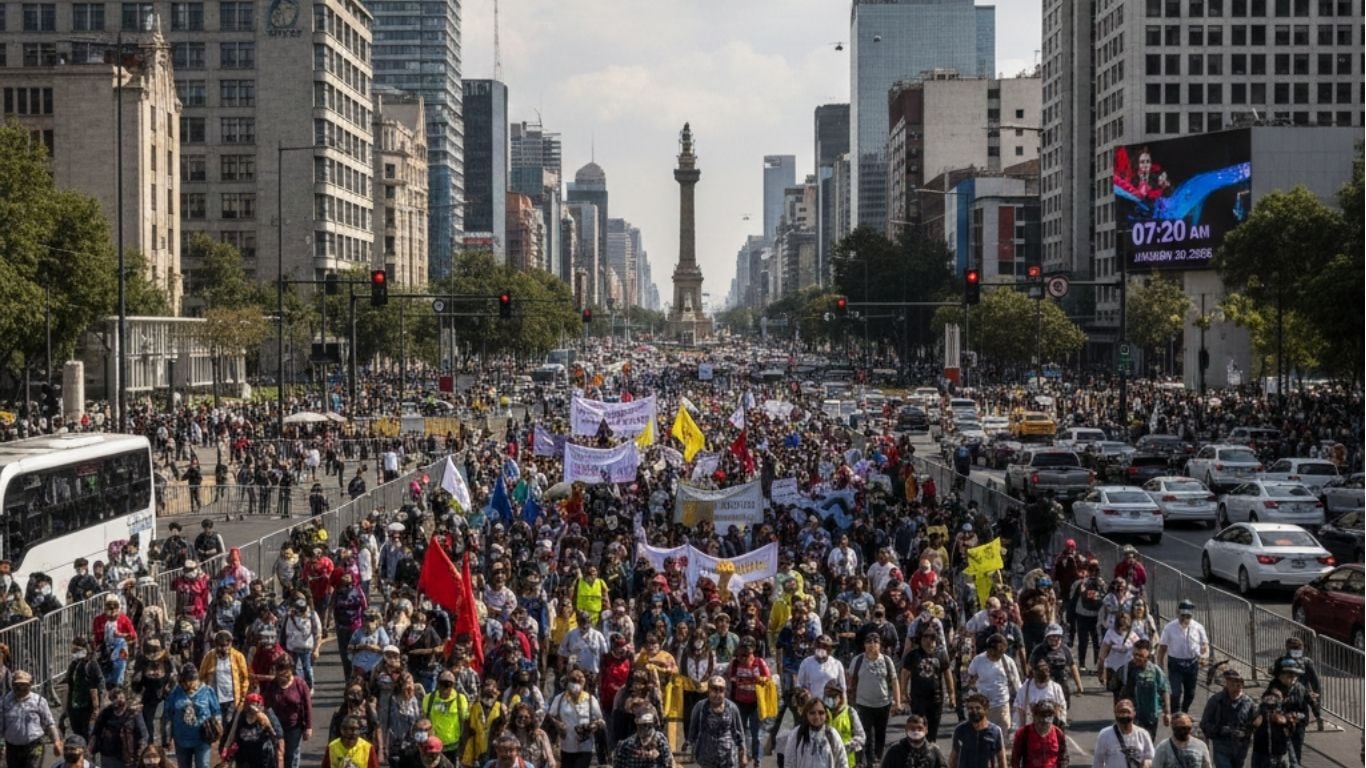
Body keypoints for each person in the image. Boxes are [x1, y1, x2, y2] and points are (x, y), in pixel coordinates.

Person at [848, 633, 899, 762]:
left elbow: (894, 681)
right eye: (868, 642)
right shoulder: (857, 660)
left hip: (883, 703)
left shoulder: (887, 660)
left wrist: (897, 702)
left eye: (875, 642)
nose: (872, 645)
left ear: (880, 645)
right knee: (867, 735)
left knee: (880, 734)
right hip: (863, 704)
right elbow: (851, 681)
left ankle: (878, 758)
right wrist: (849, 700)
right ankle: (869, 761)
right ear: (864, 645)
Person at [160, 664, 221, 768]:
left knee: (203, 765)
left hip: (203, 739)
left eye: (190, 681)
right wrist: (166, 739)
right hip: (181, 739)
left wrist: (217, 731)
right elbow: (167, 715)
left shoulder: (207, 691)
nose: (187, 684)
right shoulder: (175, 692)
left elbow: (216, 712)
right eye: (184, 681)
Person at [901, 626, 954, 744]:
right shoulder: (913, 655)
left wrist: (952, 695)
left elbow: (947, 674)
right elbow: (905, 674)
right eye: (925, 637)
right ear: (920, 639)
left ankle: (931, 751)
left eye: (932, 637)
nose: (928, 640)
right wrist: (903, 693)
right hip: (918, 698)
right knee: (918, 728)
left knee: (933, 729)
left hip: (936, 698)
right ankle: (918, 749)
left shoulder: (941, 654)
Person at [0, 670, 64, 768]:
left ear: (30, 685)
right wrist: (1, 745)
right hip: (12, 748)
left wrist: (56, 741)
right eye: (18, 685)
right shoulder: (5, 702)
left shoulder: (39, 702)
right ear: (12, 685)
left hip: (34, 746)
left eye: (24, 685)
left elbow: (49, 723)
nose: (21, 688)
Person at [1154, 601, 1208, 716]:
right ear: (1177, 614)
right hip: (1175, 664)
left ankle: (1184, 712)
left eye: (1188, 616)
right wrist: (1159, 664)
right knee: (1175, 692)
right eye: (1183, 616)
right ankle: (1175, 714)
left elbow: (1204, 645)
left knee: (1190, 693)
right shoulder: (1169, 628)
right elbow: (1162, 647)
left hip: (1192, 664)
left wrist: (1204, 656)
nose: (1185, 619)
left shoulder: (1198, 627)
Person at [260, 659, 312, 768]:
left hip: (294, 726)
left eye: (285, 670)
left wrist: (308, 727)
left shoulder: (300, 684)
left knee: (292, 755)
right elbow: (266, 704)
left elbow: (307, 705)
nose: (282, 673)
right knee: (276, 754)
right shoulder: (273, 685)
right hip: (276, 726)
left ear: (291, 670)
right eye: (279, 670)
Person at [1199, 670, 1255, 768]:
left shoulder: (1248, 702)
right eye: (1233, 685)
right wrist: (1220, 730)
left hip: (1241, 746)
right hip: (1221, 745)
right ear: (1227, 684)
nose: (1236, 688)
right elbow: (1204, 724)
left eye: (1239, 685)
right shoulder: (1216, 700)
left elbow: (1255, 721)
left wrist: (1246, 732)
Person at [965, 634, 1021, 732]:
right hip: (982, 707)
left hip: (1002, 706)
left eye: (1001, 652)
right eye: (996, 652)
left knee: (1003, 736)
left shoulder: (1008, 662)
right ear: (989, 649)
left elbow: (1017, 684)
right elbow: (969, 677)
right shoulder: (978, 660)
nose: (999, 655)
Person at [548, 669, 602, 768]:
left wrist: (592, 726)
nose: (576, 683)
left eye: (579, 680)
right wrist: (558, 725)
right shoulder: (559, 699)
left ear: (584, 682)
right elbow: (550, 717)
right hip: (566, 746)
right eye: (573, 680)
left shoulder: (591, 699)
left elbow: (600, 720)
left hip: (585, 746)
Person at [687, 676, 745, 768]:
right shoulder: (700, 707)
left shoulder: (732, 708)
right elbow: (692, 730)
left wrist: (743, 755)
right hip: (707, 756)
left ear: (725, 691)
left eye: (721, 690)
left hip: (728, 756)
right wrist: (690, 745)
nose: (717, 694)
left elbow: (739, 732)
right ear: (708, 690)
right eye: (714, 689)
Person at [1262, 660, 1312, 766]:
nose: (1293, 677)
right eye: (1289, 674)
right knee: (1280, 759)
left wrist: (1297, 716)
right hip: (1279, 731)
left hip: (1297, 728)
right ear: (1280, 675)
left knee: (1295, 758)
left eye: (1295, 675)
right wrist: (1283, 717)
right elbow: (1268, 710)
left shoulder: (1300, 688)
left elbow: (1305, 709)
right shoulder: (1273, 690)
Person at [1267, 638, 1323, 732]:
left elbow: (1315, 683)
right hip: (1288, 699)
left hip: (1297, 698)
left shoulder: (1305, 662)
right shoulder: (1283, 662)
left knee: (1296, 728)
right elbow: (1315, 683)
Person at [1118, 641, 1170, 740]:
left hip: (1150, 715)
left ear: (1148, 655)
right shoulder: (1126, 669)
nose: (1137, 658)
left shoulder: (1155, 670)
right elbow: (1117, 689)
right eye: (1135, 654)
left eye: (1140, 655)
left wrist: (1167, 712)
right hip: (1132, 715)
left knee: (1149, 742)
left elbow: (1164, 689)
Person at [89, 686, 149, 768]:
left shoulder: (134, 713)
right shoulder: (106, 712)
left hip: (127, 756)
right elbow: (96, 732)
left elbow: (144, 735)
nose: (117, 700)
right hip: (108, 754)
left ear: (125, 697)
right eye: (114, 697)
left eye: (120, 697)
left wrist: (140, 755)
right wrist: (89, 750)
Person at [199, 631, 250, 725]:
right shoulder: (209, 657)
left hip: (232, 699)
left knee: (229, 724)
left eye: (226, 645)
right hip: (214, 698)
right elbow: (201, 677)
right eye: (220, 646)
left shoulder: (238, 657)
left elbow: (244, 679)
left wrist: (242, 699)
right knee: (216, 725)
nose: (223, 648)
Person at [421, 671, 469, 768]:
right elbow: (424, 719)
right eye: (443, 683)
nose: (445, 687)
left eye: (449, 684)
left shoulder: (461, 699)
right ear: (438, 683)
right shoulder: (428, 698)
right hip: (433, 747)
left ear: (454, 685)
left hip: (453, 747)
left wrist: (463, 747)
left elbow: (466, 722)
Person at [223, 693, 283, 768]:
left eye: (256, 705)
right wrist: (226, 749)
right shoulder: (240, 716)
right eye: (250, 705)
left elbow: (278, 735)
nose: (252, 709)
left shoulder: (267, 714)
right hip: (244, 757)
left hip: (263, 757)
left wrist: (280, 758)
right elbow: (230, 733)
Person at [780, 699, 844, 768]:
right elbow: (789, 762)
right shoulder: (797, 734)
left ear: (826, 715)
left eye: (821, 713)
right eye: (812, 713)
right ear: (806, 714)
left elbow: (842, 762)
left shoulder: (832, 734)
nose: (817, 717)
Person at [62, 639, 103, 741]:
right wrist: (65, 708)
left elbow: (94, 688)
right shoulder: (74, 664)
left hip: (87, 706)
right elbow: (69, 685)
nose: (74, 653)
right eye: (73, 650)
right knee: (77, 733)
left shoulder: (91, 665)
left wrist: (96, 708)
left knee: (87, 734)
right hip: (74, 706)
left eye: (77, 650)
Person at [1092, 699, 1154, 768]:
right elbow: (1097, 762)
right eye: (1121, 712)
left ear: (1134, 713)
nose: (1124, 715)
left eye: (1127, 712)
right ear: (1115, 714)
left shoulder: (1143, 734)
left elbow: (1152, 758)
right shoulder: (1105, 734)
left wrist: (1146, 763)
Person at [948, 693, 1004, 768]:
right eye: (970, 708)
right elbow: (953, 758)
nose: (974, 711)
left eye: (978, 708)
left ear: (986, 710)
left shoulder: (995, 731)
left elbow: (1001, 760)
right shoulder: (960, 730)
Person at [1011, 661, 1068, 731]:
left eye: (1047, 671)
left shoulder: (1056, 688)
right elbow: (1019, 710)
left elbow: (1062, 708)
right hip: (1031, 732)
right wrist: (1020, 731)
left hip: (1051, 731)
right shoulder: (1025, 688)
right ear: (1034, 672)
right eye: (1041, 671)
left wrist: (1060, 726)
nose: (1045, 674)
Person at [1008, 701, 1067, 768]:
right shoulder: (1024, 733)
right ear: (1034, 716)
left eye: (1048, 717)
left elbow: (1064, 758)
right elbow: (1015, 759)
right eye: (1041, 716)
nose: (1044, 721)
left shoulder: (1058, 733)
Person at [1248, 689, 1295, 768]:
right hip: (1261, 753)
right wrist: (1255, 723)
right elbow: (1250, 726)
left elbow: (1291, 731)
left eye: (1277, 697)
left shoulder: (1284, 711)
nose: (1272, 698)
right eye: (1270, 696)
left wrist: (1287, 721)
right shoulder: (1259, 711)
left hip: (1279, 752)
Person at [821, 683, 864, 768]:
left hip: (849, 762)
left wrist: (845, 748)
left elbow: (861, 737)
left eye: (833, 696)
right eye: (827, 696)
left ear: (840, 697)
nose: (830, 699)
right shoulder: (822, 713)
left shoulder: (850, 712)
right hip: (827, 762)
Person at [880, 715, 946, 768]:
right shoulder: (894, 751)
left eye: (919, 728)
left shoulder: (934, 751)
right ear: (906, 730)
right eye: (912, 728)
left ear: (926, 730)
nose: (916, 732)